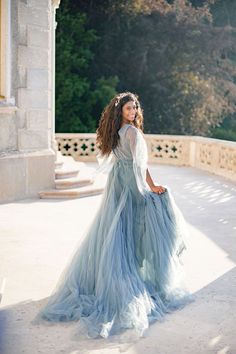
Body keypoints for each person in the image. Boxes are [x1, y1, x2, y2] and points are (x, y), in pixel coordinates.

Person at [37, 91, 194, 339]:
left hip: (117, 182)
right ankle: (135, 275)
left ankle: (124, 271)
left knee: (117, 228)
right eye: (129, 109)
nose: (133, 112)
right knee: (142, 222)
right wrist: (150, 187)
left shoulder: (116, 131)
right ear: (121, 111)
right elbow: (139, 166)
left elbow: (128, 162)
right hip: (129, 183)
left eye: (135, 108)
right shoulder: (132, 132)